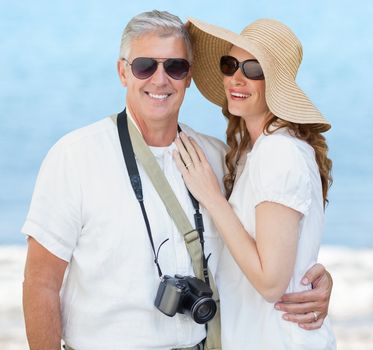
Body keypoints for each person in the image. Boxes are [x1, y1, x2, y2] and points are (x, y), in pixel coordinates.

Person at [21, 10, 332, 350]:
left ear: (189, 76)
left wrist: (309, 279)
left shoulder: (217, 159)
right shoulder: (75, 157)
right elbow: (40, 283)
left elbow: (269, 243)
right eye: (144, 66)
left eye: (175, 67)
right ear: (123, 72)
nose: (160, 79)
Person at [172, 18, 336, 349]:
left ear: (275, 83)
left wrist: (212, 198)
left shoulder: (279, 152)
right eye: (230, 64)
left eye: (253, 69)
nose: (237, 77)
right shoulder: (255, 151)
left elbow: (272, 283)